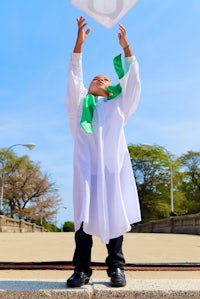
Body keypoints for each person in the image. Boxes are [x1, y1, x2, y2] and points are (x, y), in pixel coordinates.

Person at [65, 16, 141, 288]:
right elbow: (74, 77)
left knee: (114, 214)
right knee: (83, 218)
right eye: (96, 78)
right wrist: (79, 45)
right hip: (87, 170)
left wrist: (127, 48)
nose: (100, 79)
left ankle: (116, 268)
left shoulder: (118, 106)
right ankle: (82, 270)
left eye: (106, 78)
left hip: (111, 170)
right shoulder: (80, 106)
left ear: (112, 89)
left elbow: (132, 84)